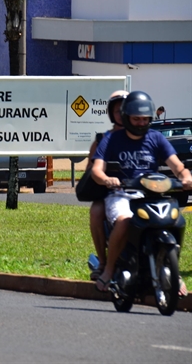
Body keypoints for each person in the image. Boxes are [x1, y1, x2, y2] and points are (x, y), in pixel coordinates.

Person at [91, 91, 192, 296]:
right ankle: (109, 269)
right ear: (127, 117)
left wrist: (185, 177)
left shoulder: (156, 138)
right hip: (121, 194)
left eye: (144, 119)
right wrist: (107, 179)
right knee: (125, 220)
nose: (140, 123)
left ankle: (174, 272)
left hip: (151, 194)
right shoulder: (111, 139)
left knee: (176, 220)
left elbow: (177, 166)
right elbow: (96, 169)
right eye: (136, 119)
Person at [86, 90, 128, 281]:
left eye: (126, 110)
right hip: (109, 193)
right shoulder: (103, 140)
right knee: (96, 211)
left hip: (140, 191)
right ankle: (103, 262)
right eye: (118, 111)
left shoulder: (146, 137)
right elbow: (91, 170)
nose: (122, 114)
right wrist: (104, 178)